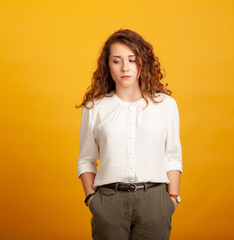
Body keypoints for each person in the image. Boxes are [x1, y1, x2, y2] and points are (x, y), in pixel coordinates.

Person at [75, 29, 182, 240]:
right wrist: (91, 199)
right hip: (108, 202)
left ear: (143, 63)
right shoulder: (94, 107)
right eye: (117, 60)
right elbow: (86, 160)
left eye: (132, 59)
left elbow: (172, 157)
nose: (125, 67)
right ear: (107, 65)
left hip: (154, 202)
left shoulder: (166, 105)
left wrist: (171, 199)